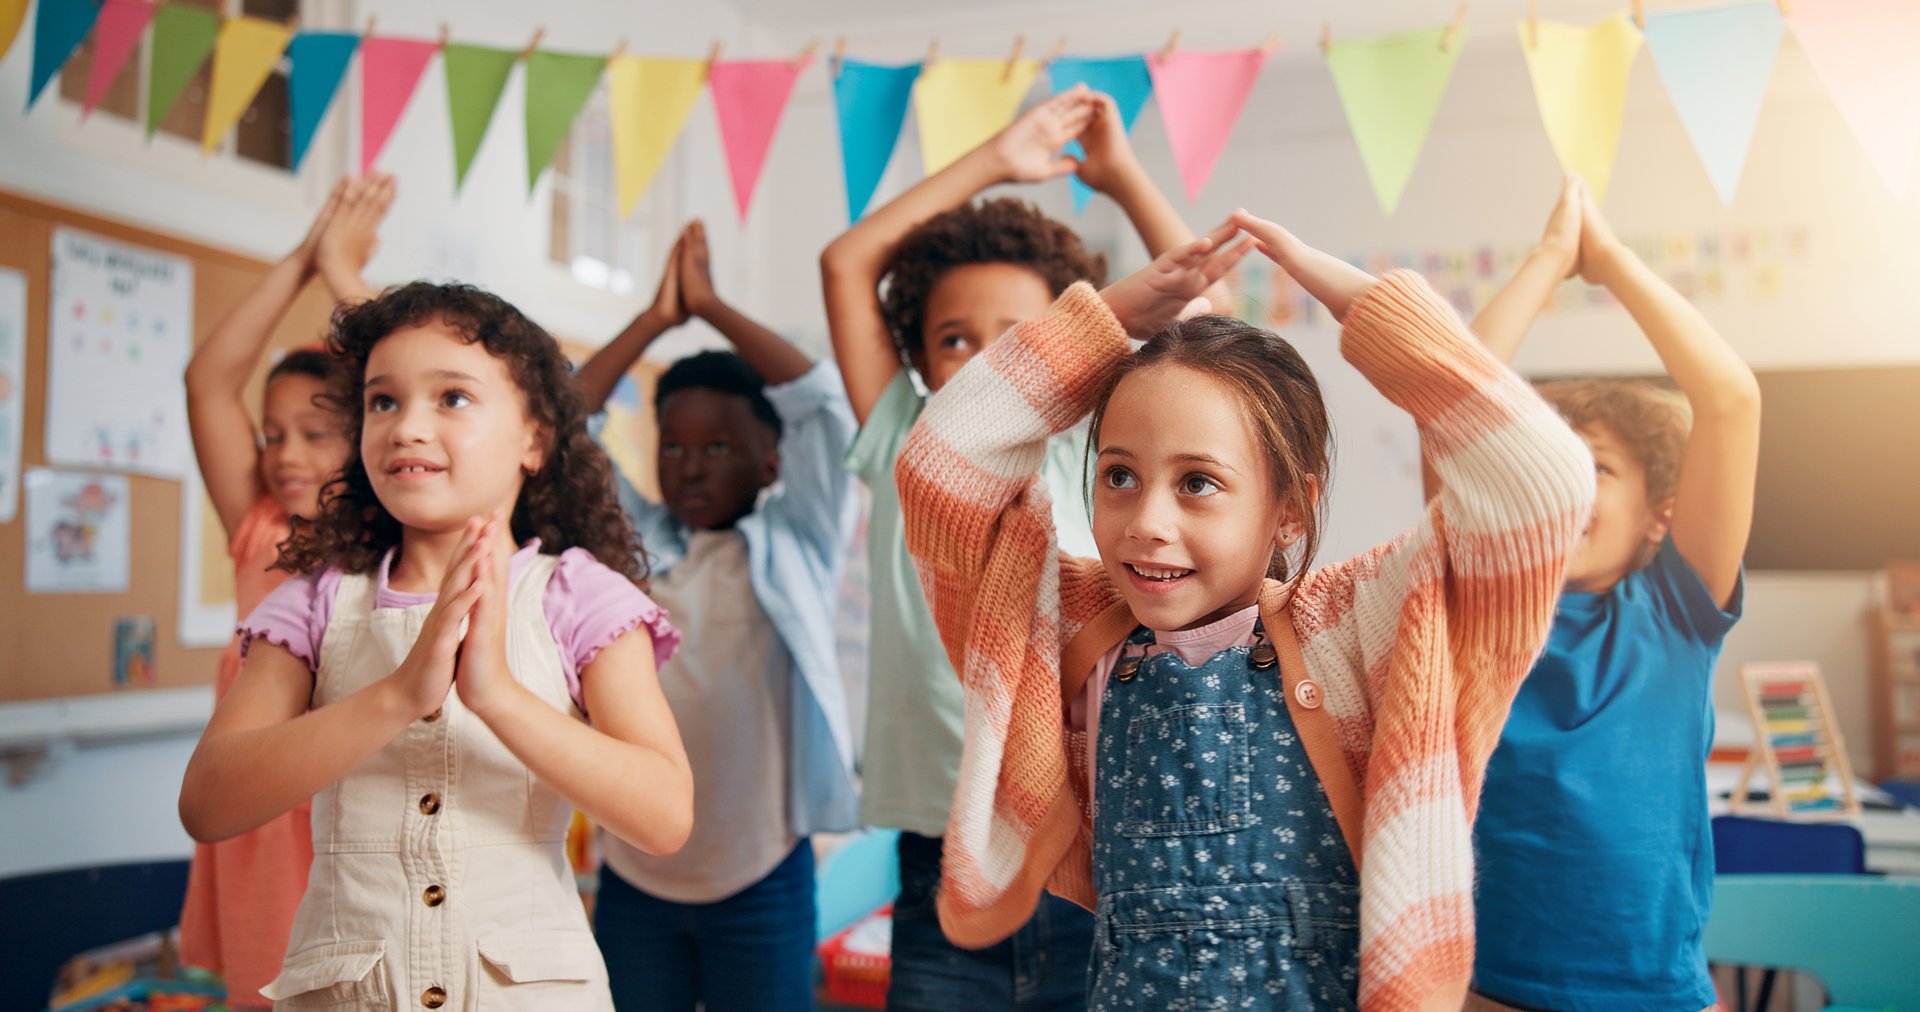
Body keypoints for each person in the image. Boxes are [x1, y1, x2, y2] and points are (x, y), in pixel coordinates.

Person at [896, 213, 1594, 1008]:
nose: (1147, 520)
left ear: (1291, 508)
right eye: (1119, 475)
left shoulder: (1356, 628)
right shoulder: (1066, 630)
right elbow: (939, 471)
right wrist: (1108, 320)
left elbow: (1544, 484)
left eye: (1198, 482)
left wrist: (1365, 308)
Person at [178, 282, 692, 1010]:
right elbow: (208, 802)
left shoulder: (580, 598)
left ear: (535, 437)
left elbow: (665, 817)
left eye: (451, 398)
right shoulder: (315, 597)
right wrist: (399, 694)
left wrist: (497, 697)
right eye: (383, 401)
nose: (406, 427)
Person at [1458, 176, 1759, 1012]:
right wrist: (1549, 258)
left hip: (1651, 993)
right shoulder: (1486, 592)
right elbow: (1451, 392)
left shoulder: (1677, 611)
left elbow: (1731, 402)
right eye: (1546, 460)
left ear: (1658, 519)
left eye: (1592, 469)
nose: (1561, 484)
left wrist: (1611, 260)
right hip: (1490, 991)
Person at [576, 219, 859, 1012]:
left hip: (762, 872)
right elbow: (558, 426)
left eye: (720, 447)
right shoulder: (631, 545)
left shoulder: (801, 539)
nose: (690, 465)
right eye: (672, 446)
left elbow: (823, 405)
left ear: (772, 461)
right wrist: (654, 320)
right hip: (637, 876)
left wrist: (711, 304)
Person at [176, 173, 389, 1008]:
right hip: (257, 824)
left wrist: (344, 271)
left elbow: (423, 368)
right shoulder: (262, 530)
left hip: (348, 817)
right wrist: (303, 257)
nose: (285, 454)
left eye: (315, 432)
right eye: (272, 435)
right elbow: (206, 381)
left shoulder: (386, 538)